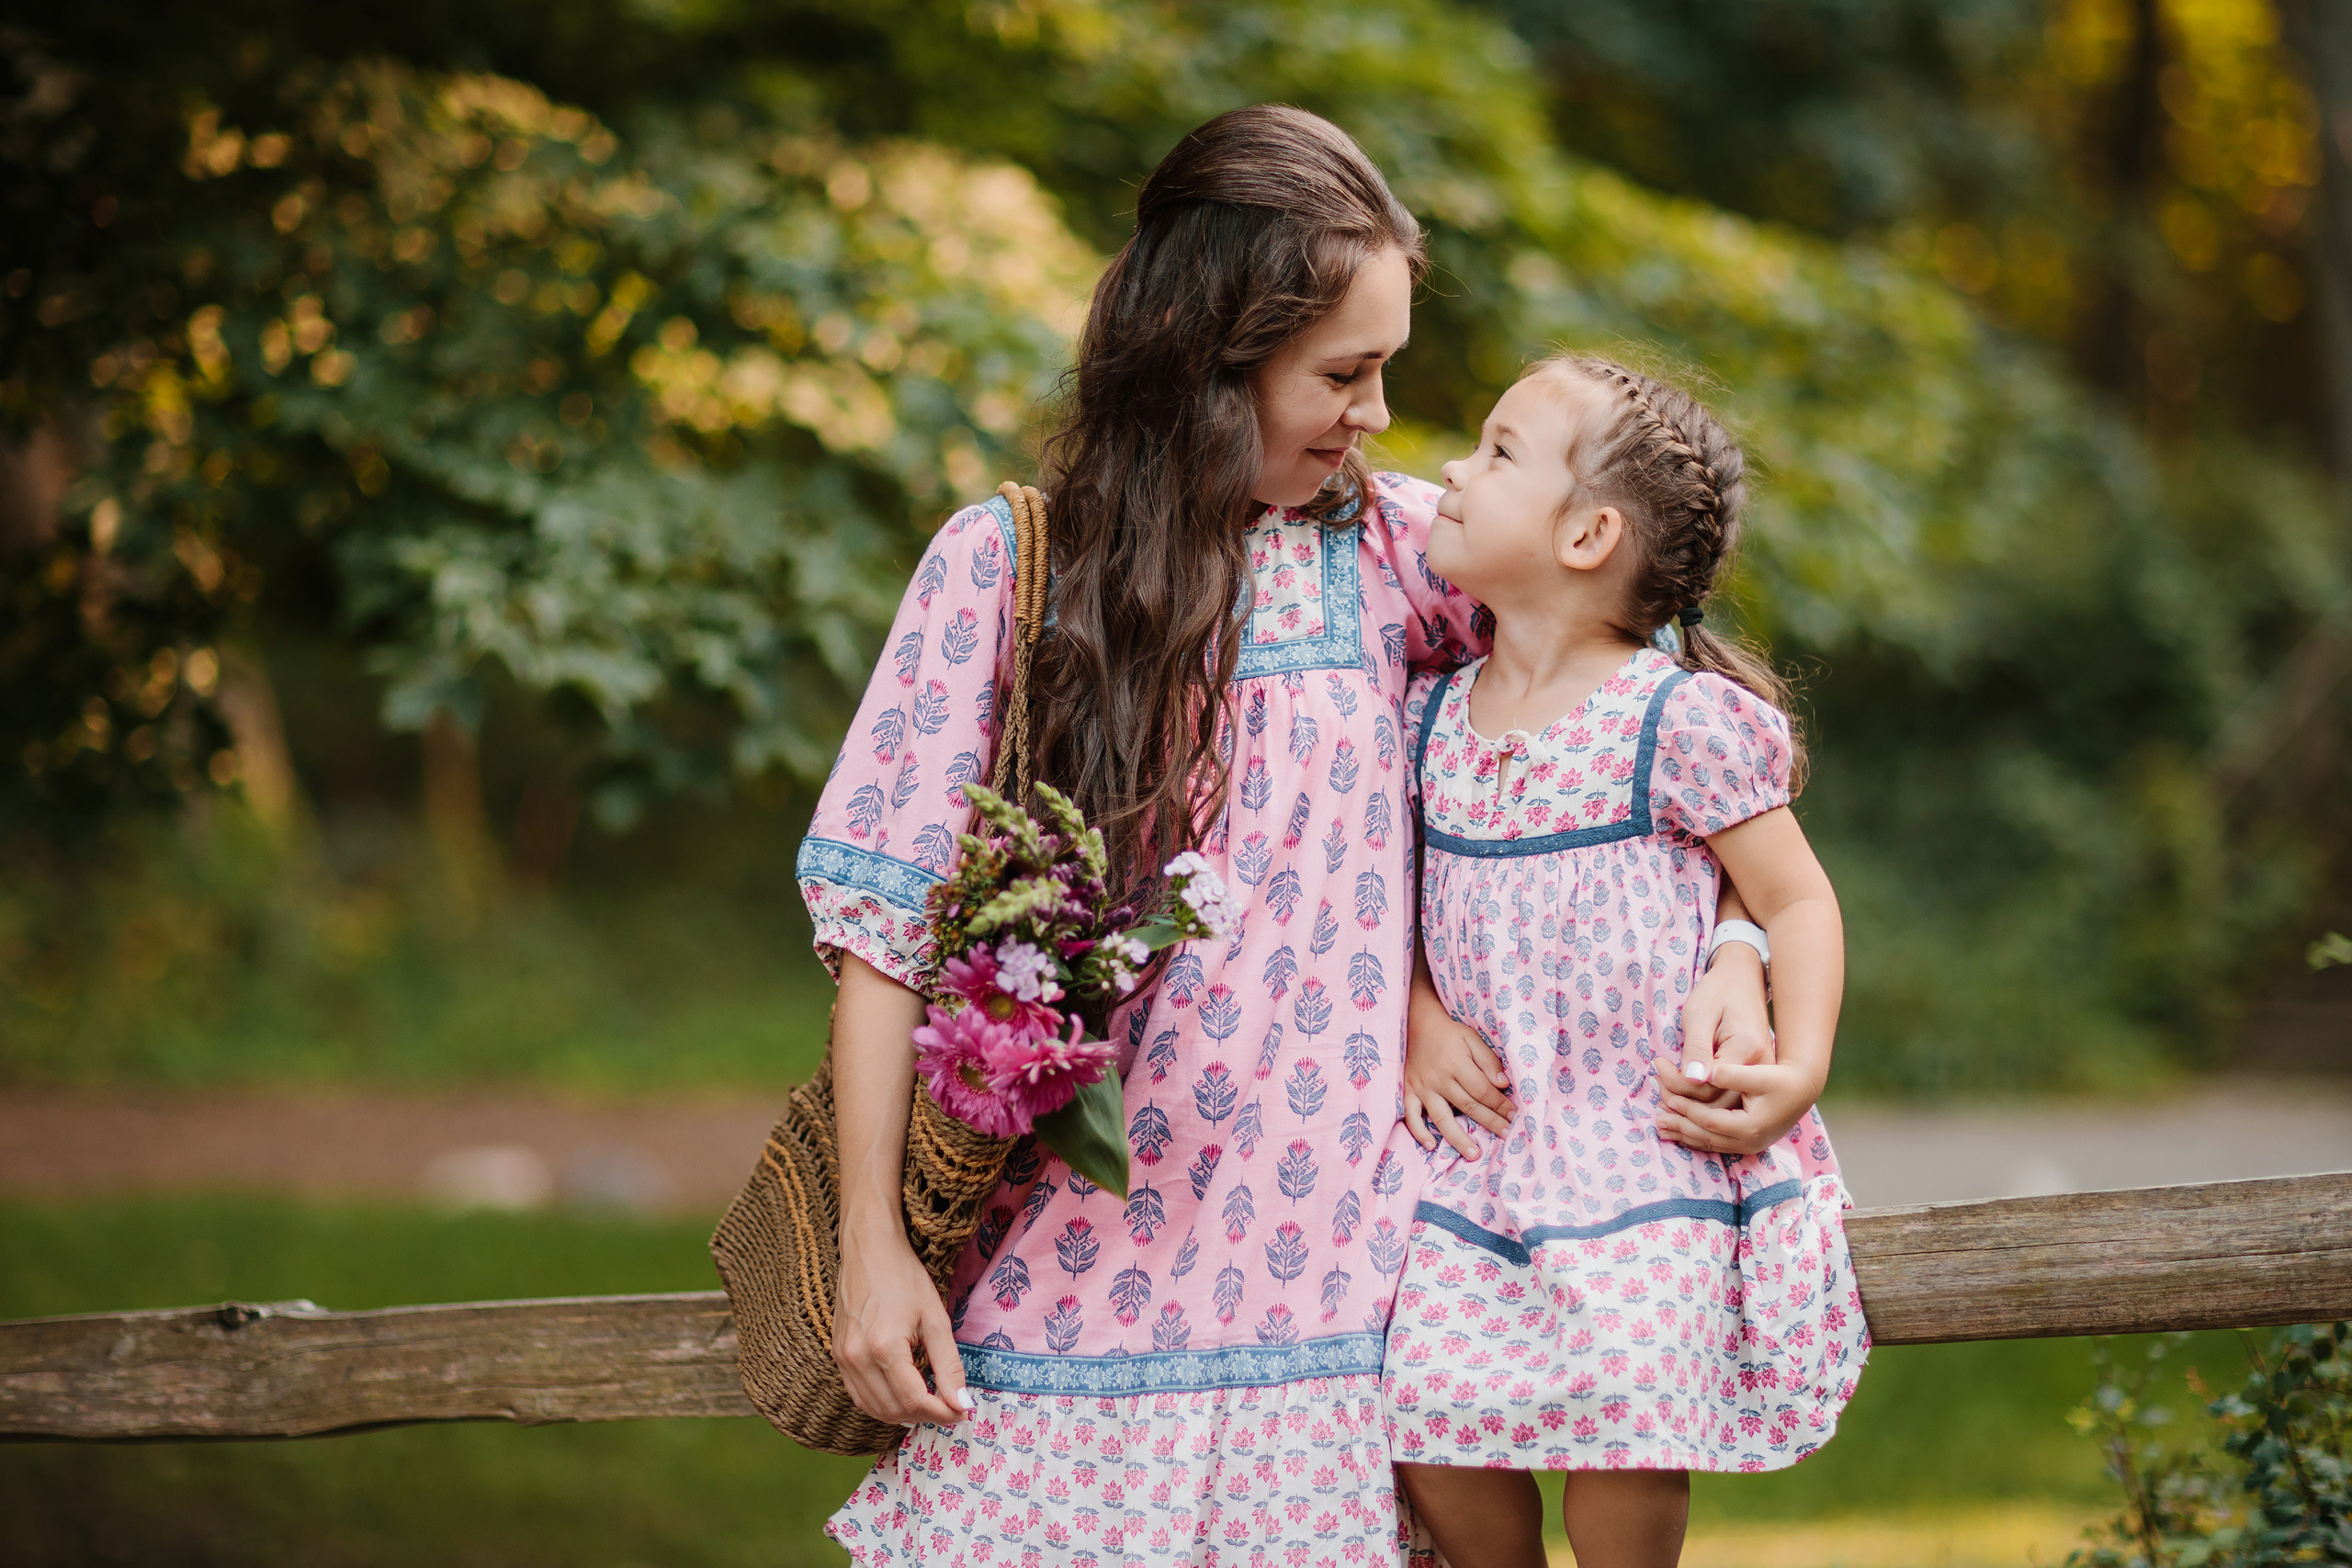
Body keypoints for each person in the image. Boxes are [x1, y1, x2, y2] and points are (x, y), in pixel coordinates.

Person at [801, 106, 1773, 1567]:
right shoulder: (1009, 572)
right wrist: (871, 1250)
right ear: (1210, 350)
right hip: (1071, 1286)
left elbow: (1658, 725)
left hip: (1353, 1301)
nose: (1379, 415)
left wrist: (1745, 941)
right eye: (1344, 373)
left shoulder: (1407, 554)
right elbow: (882, 933)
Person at [1384, 355, 1869, 1568]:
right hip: (1479, 1148)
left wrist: (1801, 1063)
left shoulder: (1674, 719)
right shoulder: (1428, 717)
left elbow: (1796, 899)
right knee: (1427, 1411)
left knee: (1626, 1411)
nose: (1453, 467)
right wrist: (1421, 1016)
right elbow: (1382, 910)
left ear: (1590, 533)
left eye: (1498, 453)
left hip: (1636, 1140)